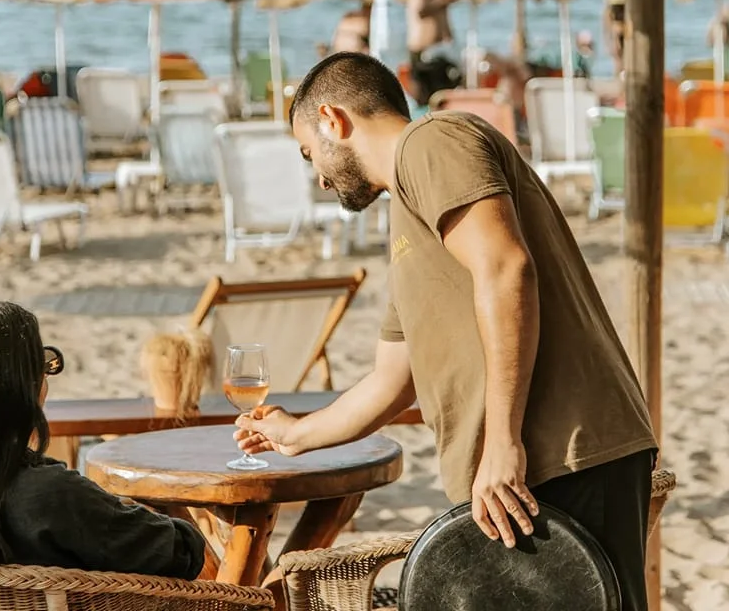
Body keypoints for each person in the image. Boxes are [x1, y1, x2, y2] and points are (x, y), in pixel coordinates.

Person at [235, 52, 657, 611]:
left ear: (333, 120)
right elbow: (392, 380)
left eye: (309, 152)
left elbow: (506, 268)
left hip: (564, 453)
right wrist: (296, 434)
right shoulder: (408, 216)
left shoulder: (431, 141)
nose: (318, 176)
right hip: (514, 479)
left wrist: (502, 442)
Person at [0, 302, 204, 606]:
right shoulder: (51, 496)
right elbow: (183, 553)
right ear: (21, 388)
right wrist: (159, 512)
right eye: (41, 366)